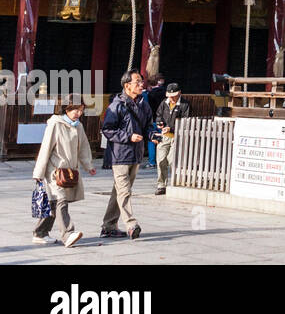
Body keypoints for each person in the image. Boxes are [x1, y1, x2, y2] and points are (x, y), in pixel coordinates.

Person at [31, 96, 96, 247]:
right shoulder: (55, 124)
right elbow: (45, 148)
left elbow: (84, 147)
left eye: (80, 110)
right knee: (61, 200)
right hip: (53, 171)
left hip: (69, 172)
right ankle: (67, 235)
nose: (78, 113)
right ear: (66, 108)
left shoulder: (78, 126)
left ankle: (40, 233)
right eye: (75, 109)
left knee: (54, 203)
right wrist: (38, 173)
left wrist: (88, 165)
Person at [100, 70, 154, 240]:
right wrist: (128, 136)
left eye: (141, 81)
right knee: (125, 191)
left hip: (136, 154)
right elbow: (107, 129)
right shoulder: (117, 105)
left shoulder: (143, 104)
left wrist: (154, 135)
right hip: (120, 154)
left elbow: (148, 126)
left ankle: (108, 226)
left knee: (119, 191)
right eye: (137, 82)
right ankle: (131, 224)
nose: (141, 85)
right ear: (127, 86)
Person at [153, 83, 190, 195]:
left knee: (172, 160)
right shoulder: (164, 102)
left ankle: (176, 183)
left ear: (179, 93)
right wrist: (159, 122)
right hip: (164, 136)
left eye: (173, 95)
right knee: (160, 160)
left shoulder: (184, 104)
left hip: (177, 136)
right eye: (169, 95)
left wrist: (171, 128)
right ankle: (161, 185)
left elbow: (185, 120)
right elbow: (158, 114)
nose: (171, 98)